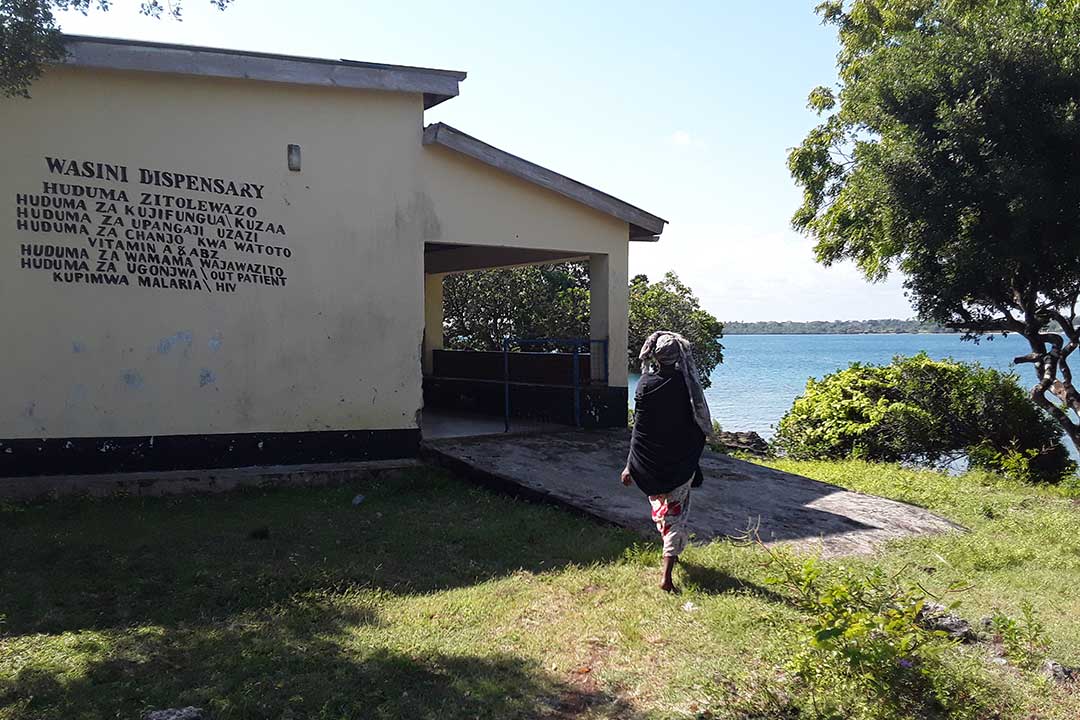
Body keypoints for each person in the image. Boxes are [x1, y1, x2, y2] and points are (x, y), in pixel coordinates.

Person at [621, 330, 714, 592]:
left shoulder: (645, 384)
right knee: (676, 516)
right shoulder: (686, 388)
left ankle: (670, 554)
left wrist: (631, 464)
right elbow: (695, 426)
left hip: (649, 463)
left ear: (656, 357)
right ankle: (666, 577)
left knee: (664, 513)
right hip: (678, 462)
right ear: (679, 357)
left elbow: (640, 428)